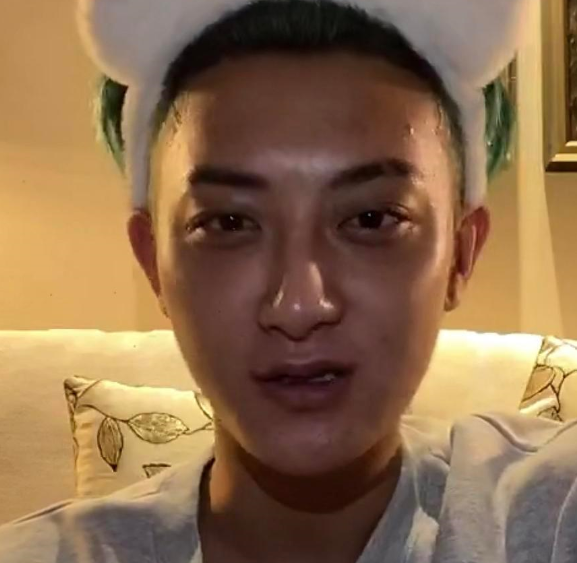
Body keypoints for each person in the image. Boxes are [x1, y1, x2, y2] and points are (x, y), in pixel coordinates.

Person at [1, 0, 576, 561]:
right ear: (154, 263)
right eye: (228, 223)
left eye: (370, 219)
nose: (299, 305)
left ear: (460, 255)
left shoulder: (545, 513)